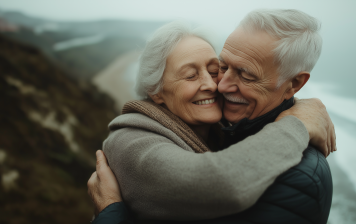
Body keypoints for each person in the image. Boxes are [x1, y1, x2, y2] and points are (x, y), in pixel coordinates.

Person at [88, 10, 335, 224]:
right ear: (156, 91)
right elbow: (220, 182)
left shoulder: (299, 177)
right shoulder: (132, 141)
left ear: (293, 84)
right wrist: (297, 123)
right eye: (223, 67)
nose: (218, 85)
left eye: (214, 69)